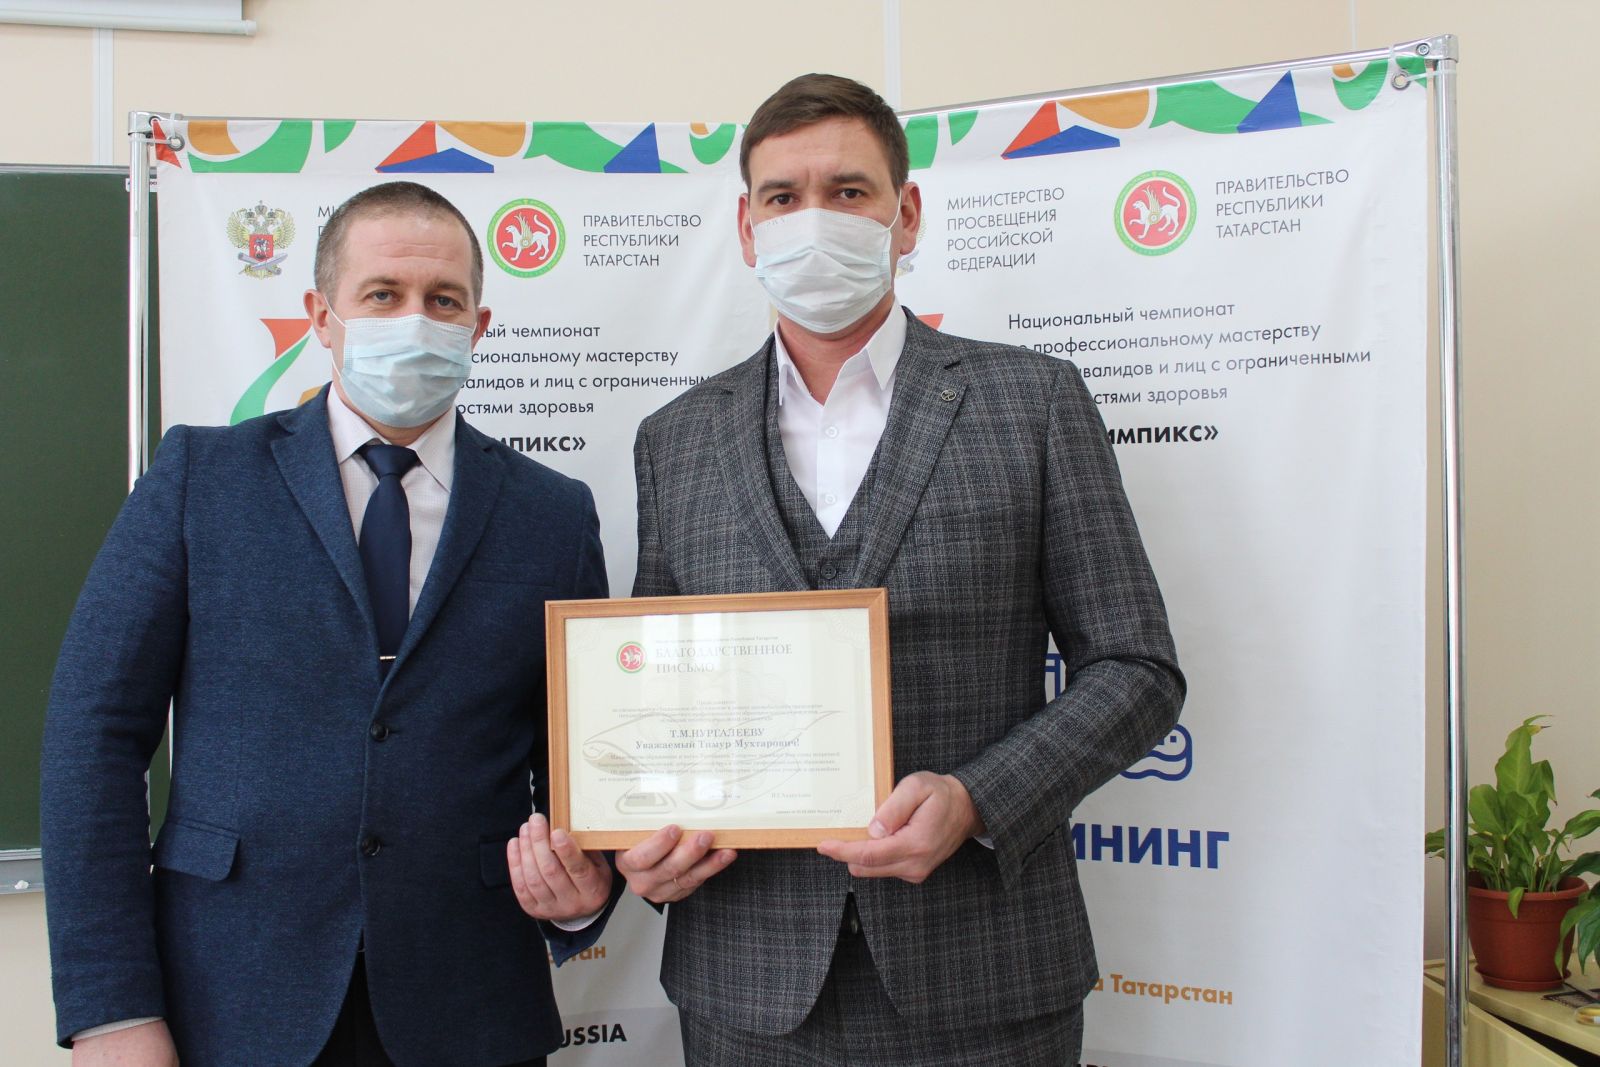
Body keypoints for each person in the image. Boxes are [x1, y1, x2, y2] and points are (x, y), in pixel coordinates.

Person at [615, 75, 1186, 1064]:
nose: (813, 219)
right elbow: (654, 692)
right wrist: (641, 833)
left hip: (985, 974)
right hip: (745, 979)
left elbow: (1136, 668)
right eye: (782, 197)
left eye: (848, 191)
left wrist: (977, 796)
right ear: (747, 229)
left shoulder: (1033, 403)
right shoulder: (675, 440)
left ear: (905, 213)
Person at [40, 180, 619, 1067]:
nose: (415, 319)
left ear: (479, 326)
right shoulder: (201, 478)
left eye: (444, 300)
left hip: (471, 1004)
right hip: (228, 1000)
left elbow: (588, 763)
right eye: (382, 294)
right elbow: (94, 737)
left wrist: (586, 894)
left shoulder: (552, 514)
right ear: (322, 315)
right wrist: (110, 1009)